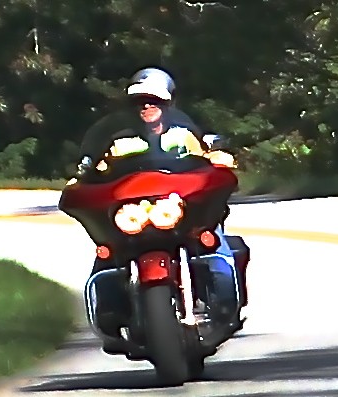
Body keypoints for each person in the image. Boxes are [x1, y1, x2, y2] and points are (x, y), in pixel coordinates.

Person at [71, 67, 247, 354]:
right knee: (107, 251)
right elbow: (97, 170)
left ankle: (225, 303)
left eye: (154, 101)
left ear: (168, 104)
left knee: (213, 240)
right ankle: (111, 314)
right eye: (140, 102)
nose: (147, 107)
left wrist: (219, 160)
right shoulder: (120, 142)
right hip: (136, 215)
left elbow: (206, 156)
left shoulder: (185, 136)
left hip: (181, 212)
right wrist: (85, 177)